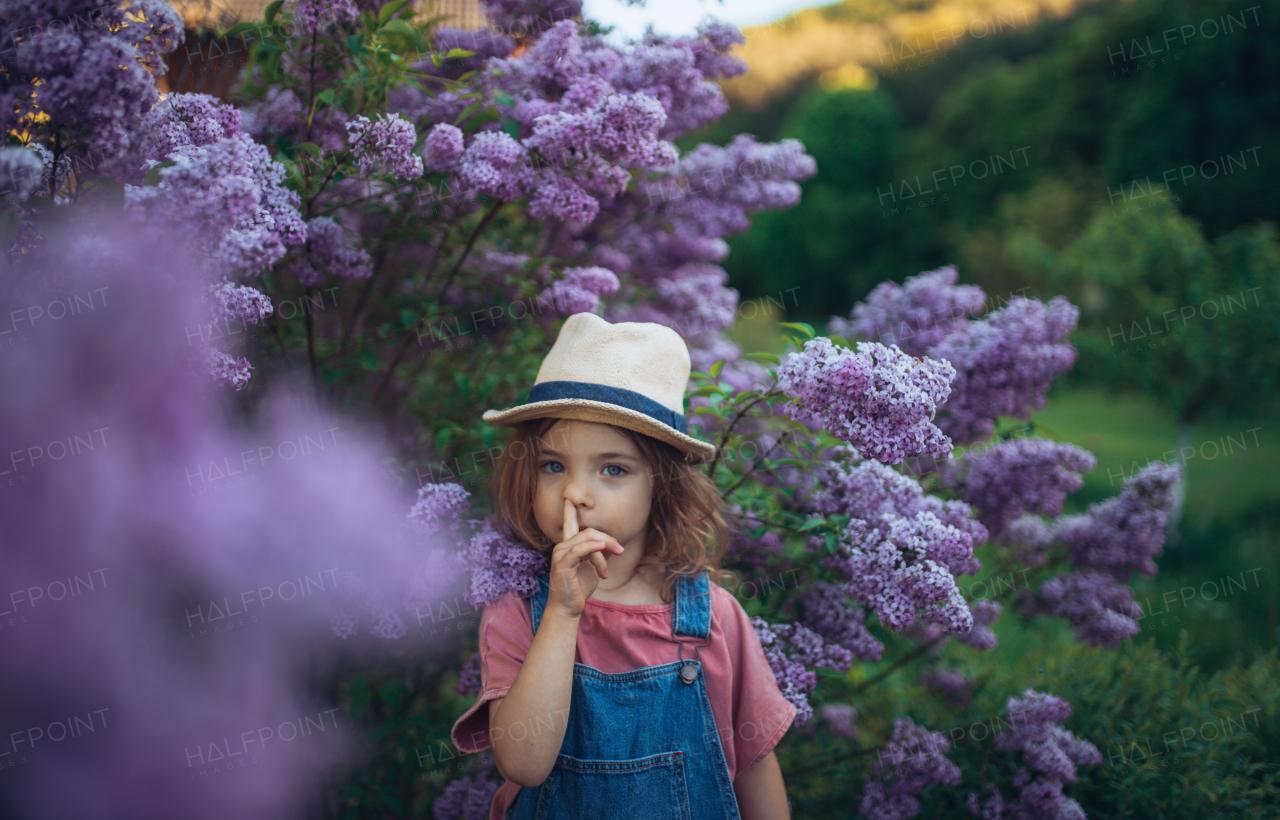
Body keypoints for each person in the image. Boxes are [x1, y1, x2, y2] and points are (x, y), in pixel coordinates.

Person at [450, 312, 797, 819]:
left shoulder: (714, 619)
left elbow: (753, 768)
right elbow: (524, 764)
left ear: (662, 486)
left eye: (613, 469)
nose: (575, 492)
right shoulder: (518, 611)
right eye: (553, 466)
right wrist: (564, 613)